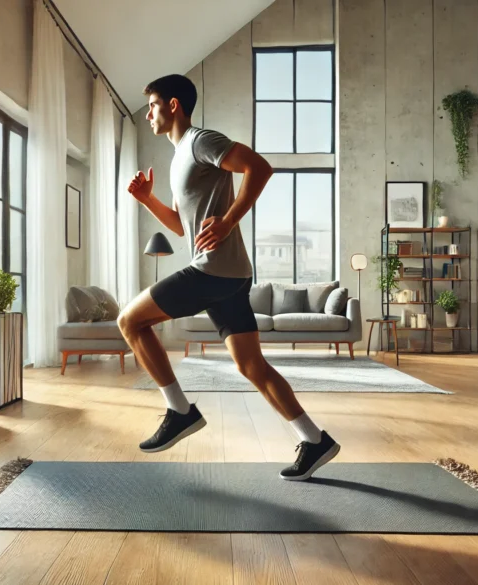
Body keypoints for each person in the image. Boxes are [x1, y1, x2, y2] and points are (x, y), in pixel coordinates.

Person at [117, 74, 340, 481]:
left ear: (172, 105)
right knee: (252, 365)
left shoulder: (201, 140)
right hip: (230, 273)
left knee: (130, 320)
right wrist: (147, 199)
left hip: (214, 269)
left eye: (151, 104)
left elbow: (259, 167)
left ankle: (179, 411)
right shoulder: (180, 153)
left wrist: (229, 221)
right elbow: (184, 227)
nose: (147, 112)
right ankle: (314, 440)